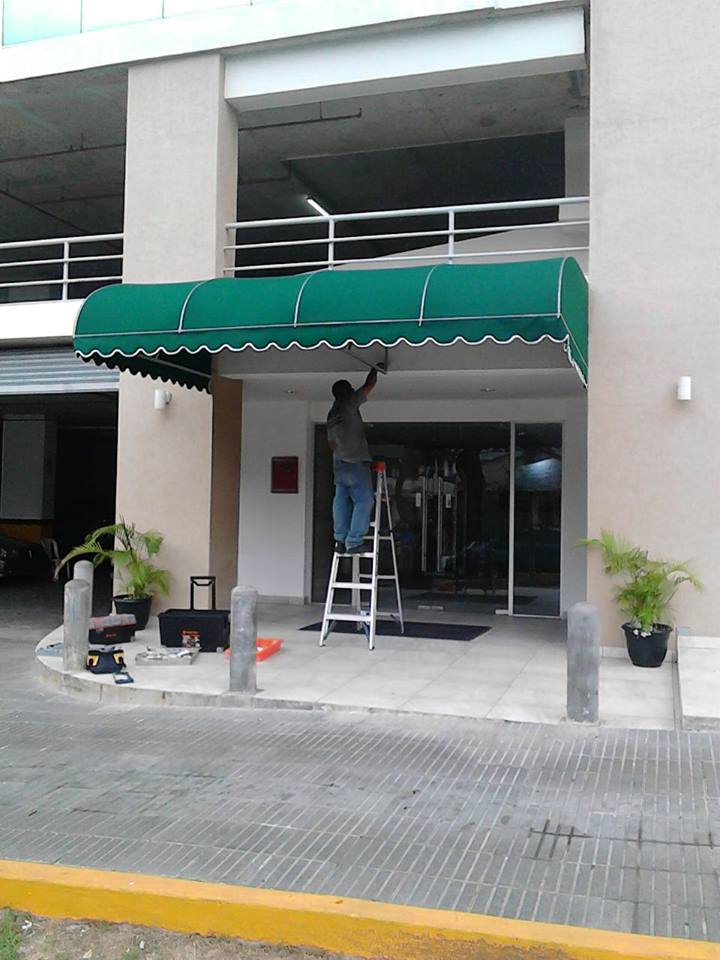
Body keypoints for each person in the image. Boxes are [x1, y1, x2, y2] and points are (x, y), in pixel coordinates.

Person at [327, 368, 378, 554]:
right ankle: (354, 541)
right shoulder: (348, 403)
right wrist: (375, 369)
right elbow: (368, 386)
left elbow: (331, 443)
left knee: (341, 500)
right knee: (363, 501)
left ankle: (340, 541)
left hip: (339, 463)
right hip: (355, 462)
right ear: (347, 392)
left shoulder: (332, 413)